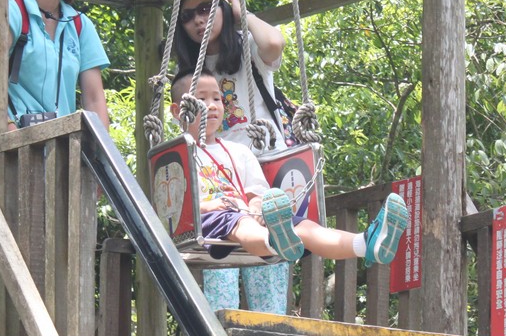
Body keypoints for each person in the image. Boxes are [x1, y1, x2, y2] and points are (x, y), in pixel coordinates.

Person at [171, 70, 408, 266]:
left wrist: (256, 206)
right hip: (206, 221)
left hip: (243, 214)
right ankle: (273, 241)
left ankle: (366, 243)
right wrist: (209, 205)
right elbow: (169, 205)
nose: (211, 106)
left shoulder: (239, 152)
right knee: (240, 223)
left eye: (217, 99)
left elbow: (255, 192)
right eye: (201, 99)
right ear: (177, 111)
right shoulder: (175, 157)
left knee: (304, 226)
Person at [171, 0, 295, 313]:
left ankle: (270, 326)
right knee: (221, 261)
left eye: (206, 9)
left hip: (264, 163)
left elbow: (274, 42)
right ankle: (223, 327)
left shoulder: (246, 47)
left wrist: (241, 14)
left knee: (267, 261)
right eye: (188, 16)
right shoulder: (190, 73)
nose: (198, 20)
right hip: (219, 177)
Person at [6, 0, 110, 131]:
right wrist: (8, 129)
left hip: (62, 144)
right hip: (12, 139)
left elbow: (94, 99)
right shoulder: (11, 10)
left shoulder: (80, 24)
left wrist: (102, 147)